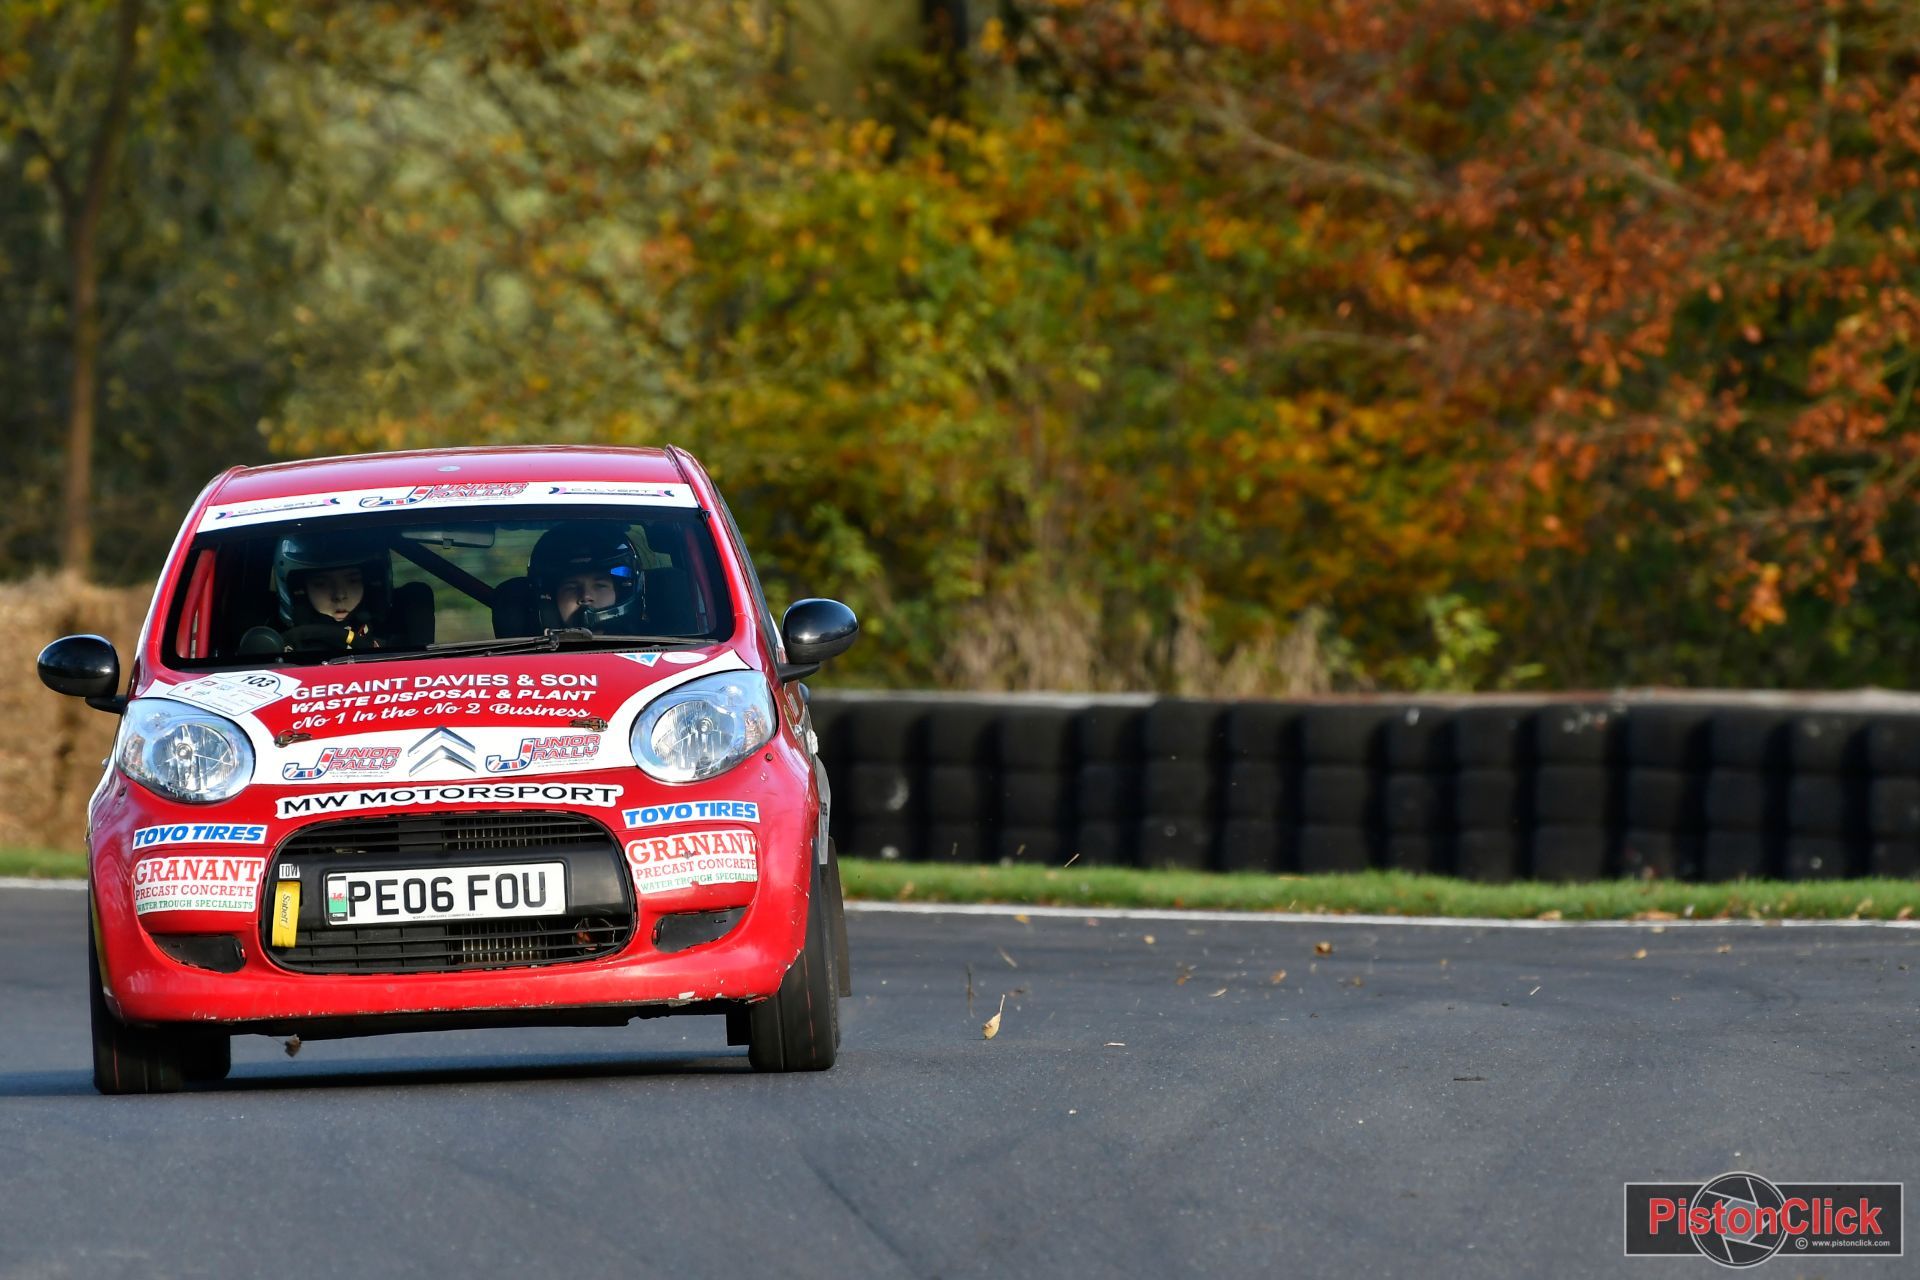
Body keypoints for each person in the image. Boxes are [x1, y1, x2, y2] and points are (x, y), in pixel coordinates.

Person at [239, 532, 393, 655]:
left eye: (352, 581)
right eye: (321, 584)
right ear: (299, 590)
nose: (339, 595)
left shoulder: (401, 632)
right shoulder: (280, 646)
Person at [528, 522, 644, 633]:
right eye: (571, 587)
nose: (586, 596)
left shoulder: (651, 648)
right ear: (552, 599)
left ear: (620, 594)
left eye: (600, 585)